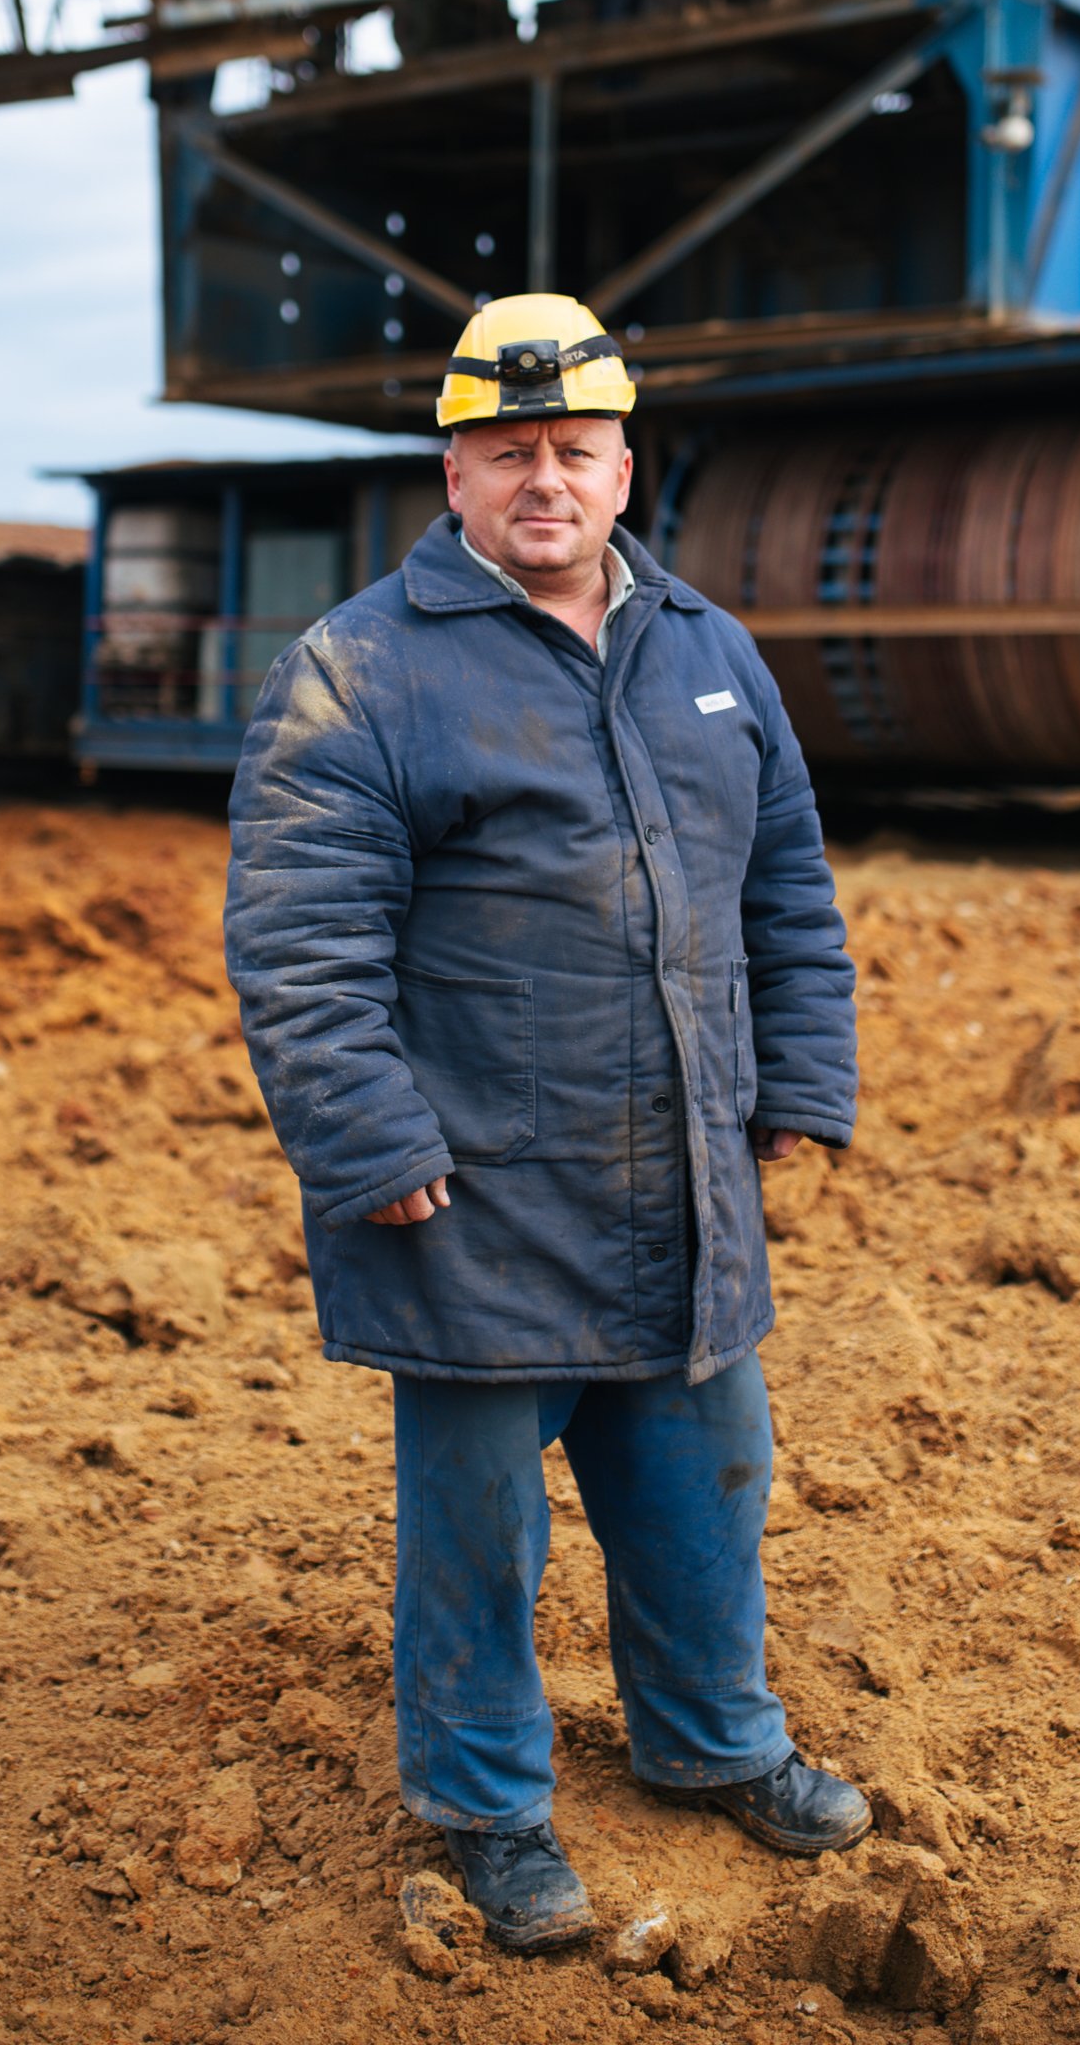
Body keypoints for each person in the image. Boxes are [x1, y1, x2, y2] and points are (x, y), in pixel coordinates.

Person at [222, 292, 866, 1955]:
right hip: (471, 1196)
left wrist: (796, 1085)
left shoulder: (709, 652)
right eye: (507, 454)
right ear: (452, 472)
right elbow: (302, 949)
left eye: (573, 450)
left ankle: (715, 1745)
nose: (544, 482)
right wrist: (369, 1147)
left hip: (682, 1174)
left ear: (624, 464)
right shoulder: (358, 671)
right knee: (477, 1538)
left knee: (705, 1483)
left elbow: (784, 884)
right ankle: (490, 1814)